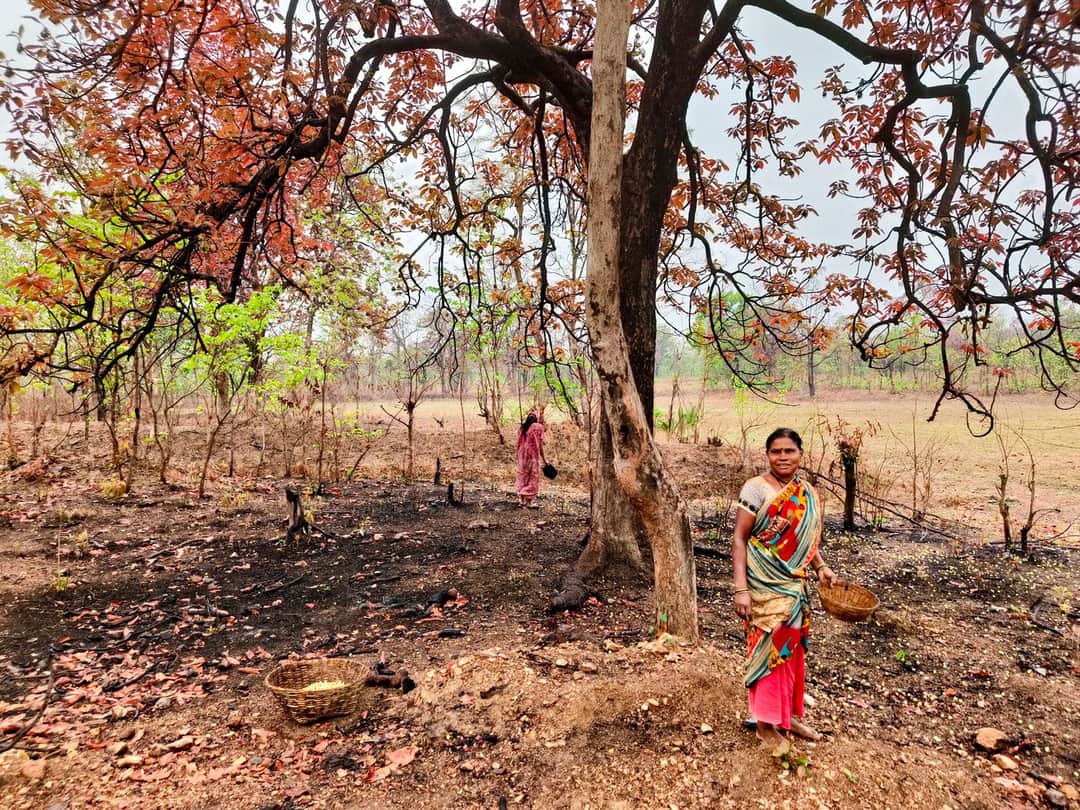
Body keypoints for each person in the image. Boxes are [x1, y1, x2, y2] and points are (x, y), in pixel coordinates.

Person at [732, 427, 838, 747]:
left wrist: (820, 567)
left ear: (800, 455)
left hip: (795, 585)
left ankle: (786, 716)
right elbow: (740, 538)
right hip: (763, 583)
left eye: (789, 451)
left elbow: (803, 539)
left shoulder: (805, 492)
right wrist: (741, 589)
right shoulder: (755, 488)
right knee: (770, 649)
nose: (782, 457)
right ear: (767, 455)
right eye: (776, 451)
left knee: (792, 652)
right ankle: (765, 725)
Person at [515, 411, 547, 508]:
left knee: (522, 476)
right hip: (533, 456)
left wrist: (517, 455)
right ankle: (529, 502)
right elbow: (541, 445)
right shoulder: (538, 427)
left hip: (522, 455)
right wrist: (544, 459)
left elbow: (518, 443)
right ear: (536, 419)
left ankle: (522, 500)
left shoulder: (522, 427)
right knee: (533, 477)